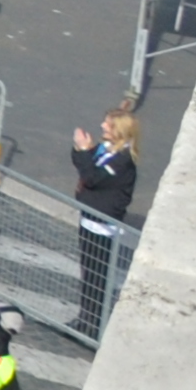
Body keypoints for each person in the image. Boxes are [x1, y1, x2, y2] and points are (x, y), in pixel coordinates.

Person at [77, 105, 143, 335]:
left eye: (108, 124)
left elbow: (92, 178)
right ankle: (84, 318)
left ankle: (93, 324)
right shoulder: (106, 151)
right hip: (90, 220)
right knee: (88, 272)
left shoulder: (121, 161)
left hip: (103, 226)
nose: (103, 126)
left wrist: (84, 152)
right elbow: (86, 170)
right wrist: (82, 151)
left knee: (97, 275)